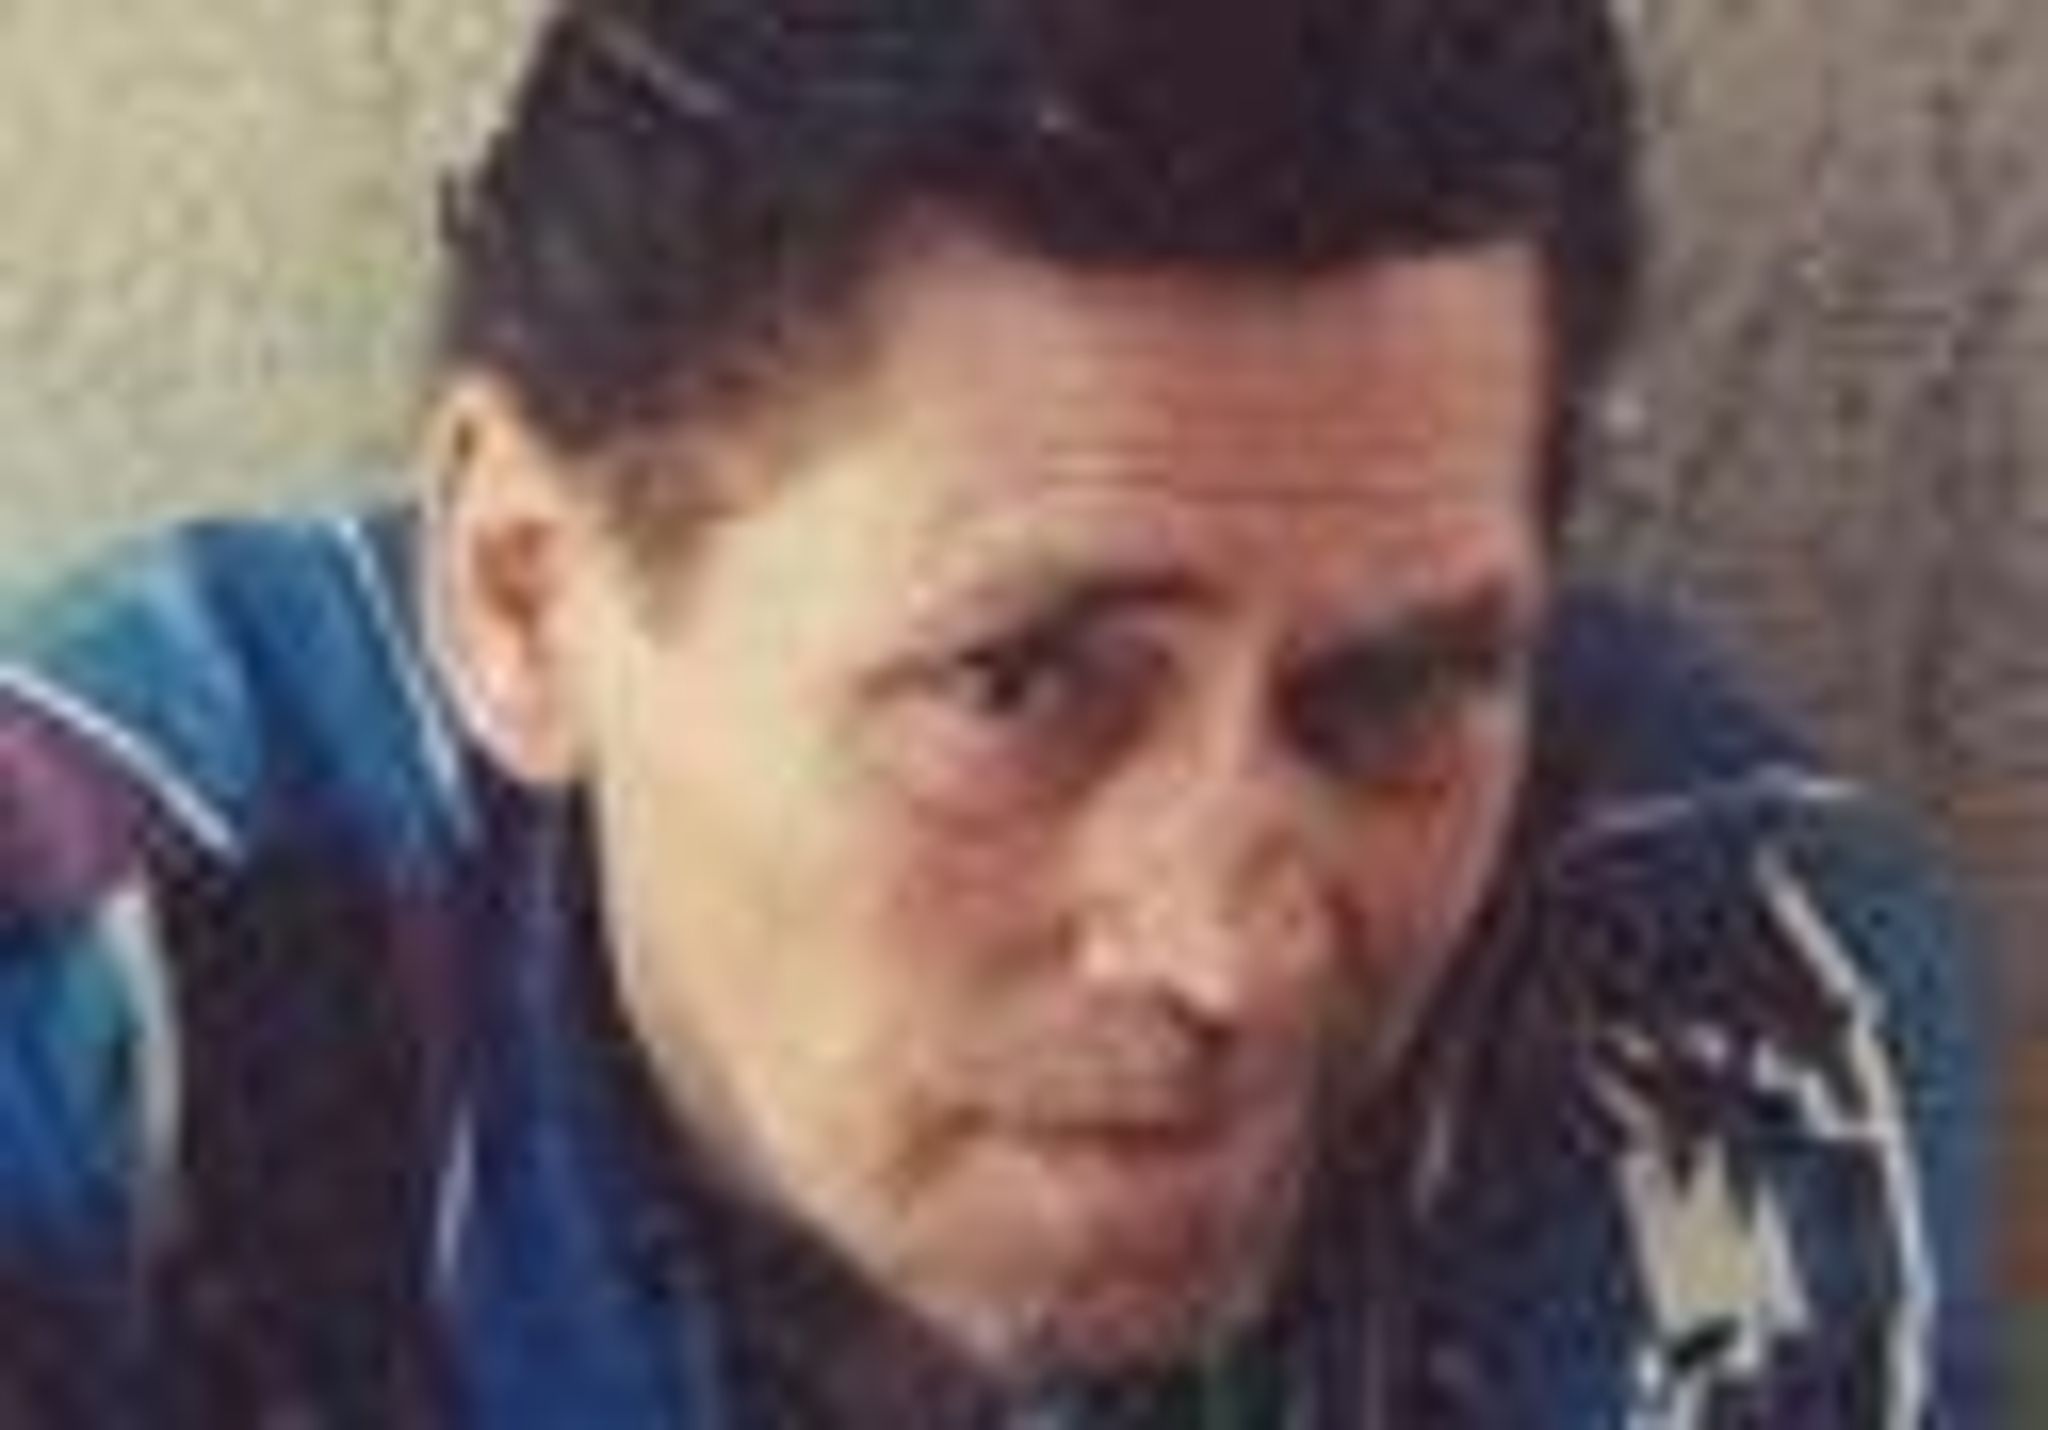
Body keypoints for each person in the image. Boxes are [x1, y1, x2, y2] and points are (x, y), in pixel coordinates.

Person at [0, 0, 2000, 1423]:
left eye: (1388, 696)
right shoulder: (104, 937)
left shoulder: (1700, 1022)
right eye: (1018, 683)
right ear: (526, 592)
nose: (1229, 953)